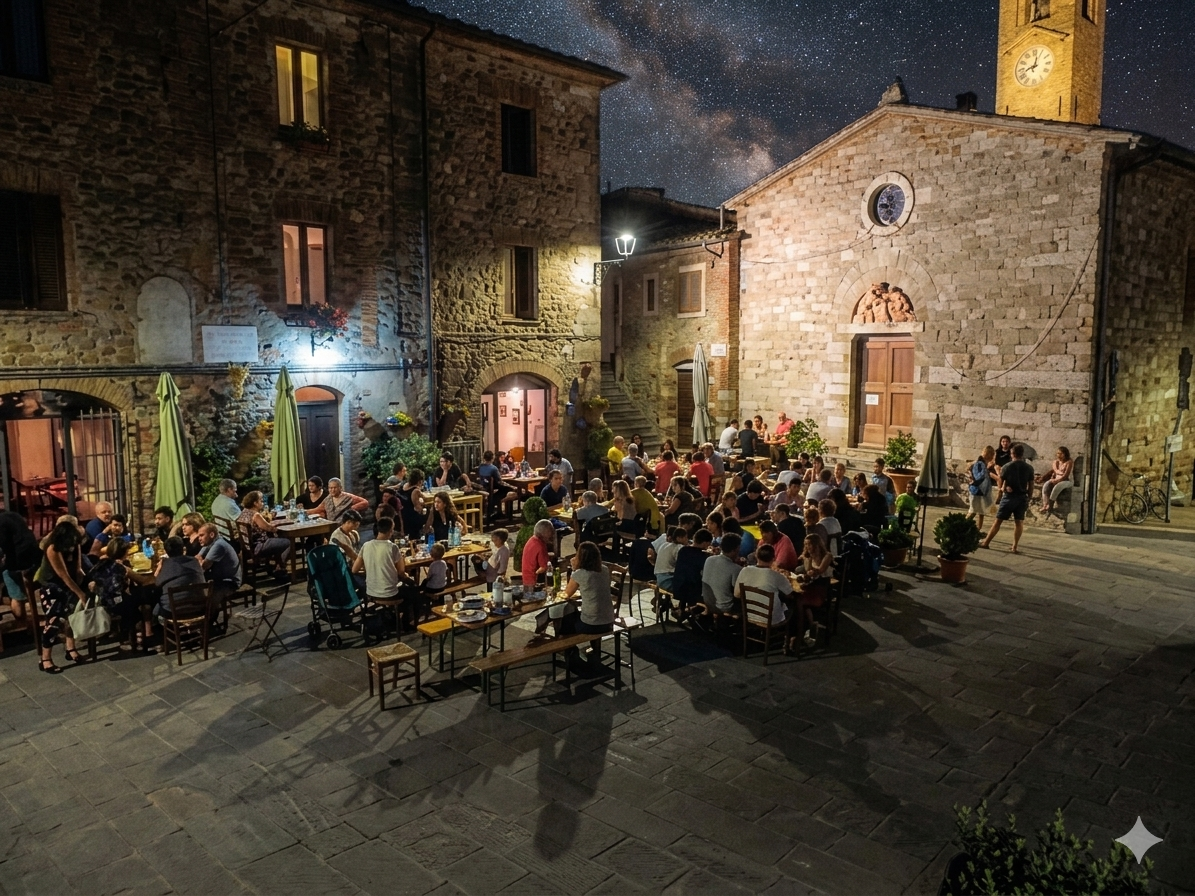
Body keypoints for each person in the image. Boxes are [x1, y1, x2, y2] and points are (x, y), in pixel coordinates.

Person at [541, 542, 616, 676]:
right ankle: (587, 652)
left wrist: (574, 568)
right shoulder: (604, 569)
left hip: (592, 625)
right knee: (575, 614)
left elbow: (567, 594)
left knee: (566, 622)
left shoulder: (580, 574)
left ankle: (569, 652)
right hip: (609, 621)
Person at [33, 519, 88, 672]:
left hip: (69, 584)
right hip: (51, 585)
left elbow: (77, 568)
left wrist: (83, 581)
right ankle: (45, 659)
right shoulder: (53, 548)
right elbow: (63, 575)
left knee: (72, 615)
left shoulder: (75, 543)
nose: (72, 545)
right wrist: (80, 593)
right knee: (55, 619)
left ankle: (71, 649)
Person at [736, 543, 795, 647]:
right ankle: (793, 640)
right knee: (795, 606)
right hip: (771, 619)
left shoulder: (745, 571)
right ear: (773, 558)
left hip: (749, 615)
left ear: (756, 556)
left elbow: (737, 594)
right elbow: (790, 594)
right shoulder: (776, 576)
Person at [352, 517, 407, 626]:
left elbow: (354, 569)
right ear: (391, 530)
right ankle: (405, 623)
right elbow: (401, 572)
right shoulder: (392, 547)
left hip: (371, 591)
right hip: (390, 593)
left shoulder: (366, 545)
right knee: (412, 591)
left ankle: (389, 615)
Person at [981, 442, 1034, 553]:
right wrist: (1029, 497)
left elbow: (1001, 481)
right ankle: (1014, 547)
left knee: (998, 521)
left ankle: (986, 542)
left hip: (1009, 497)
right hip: (1022, 497)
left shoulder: (1007, 467)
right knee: (1019, 522)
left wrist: (1003, 489)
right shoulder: (1029, 468)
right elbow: (1031, 485)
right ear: (1022, 454)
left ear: (1012, 453)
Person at [0, 511, 41, 622]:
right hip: (35, 556)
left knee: (7, 575)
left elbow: (4, 546)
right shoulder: (13, 515)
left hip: (19, 561)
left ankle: (21, 619)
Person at [236, 491, 290, 574]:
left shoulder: (244, 512)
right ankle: (280, 567)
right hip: (259, 546)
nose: (263, 503)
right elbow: (269, 528)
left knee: (278, 541)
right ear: (255, 503)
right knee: (288, 542)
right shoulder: (255, 515)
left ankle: (278, 565)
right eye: (261, 501)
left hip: (248, 546)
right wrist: (279, 525)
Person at [154, 536, 206, 619]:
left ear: (166, 552)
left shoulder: (166, 564)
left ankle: (154, 627)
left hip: (173, 612)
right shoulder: (194, 561)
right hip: (199, 609)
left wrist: (158, 569)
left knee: (154, 600)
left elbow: (157, 583)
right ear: (183, 549)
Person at [795, 534, 833, 646]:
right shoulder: (807, 556)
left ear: (817, 544)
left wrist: (811, 571)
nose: (807, 547)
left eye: (810, 544)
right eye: (806, 544)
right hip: (811, 584)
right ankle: (808, 626)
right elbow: (808, 574)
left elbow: (820, 570)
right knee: (797, 598)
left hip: (822, 586)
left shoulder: (827, 555)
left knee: (802, 601)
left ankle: (807, 628)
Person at [197, 523, 242, 604]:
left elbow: (204, 566)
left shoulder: (219, 545)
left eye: (201, 535)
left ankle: (210, 614)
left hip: (229, 582)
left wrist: (202, 562)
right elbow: (197, 557)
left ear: (211, 534)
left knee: (206, 596)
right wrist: (201, 561)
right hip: (218, 578)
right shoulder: (209, 542)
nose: (199, 539)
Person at [701, 531, 742, 614]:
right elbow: (737, 592)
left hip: (707, 602)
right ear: (735, 549)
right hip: (724, 607)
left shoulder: (709, 559)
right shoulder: (735, 568)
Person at [476, 451, 512, 524]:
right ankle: (500, 510)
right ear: (493, 458)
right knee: (507, 489)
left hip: (484, 487)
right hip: (491, 490)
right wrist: (511, 486)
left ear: (484, 458)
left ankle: (497, 510)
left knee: (502, 490)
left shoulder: (480, 467)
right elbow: (500, 481)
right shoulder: (494, 468)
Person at [967, 446, 997, 531]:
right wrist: (986, 470)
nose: (993, 457)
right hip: (977, 491)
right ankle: (962, 526)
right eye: (993, 454)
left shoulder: (982, 463)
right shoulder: (980, 463)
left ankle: (978, 529)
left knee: (981, 512)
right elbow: (979, 477)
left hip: (981, 492)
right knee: (973, 511)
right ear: (989, 454)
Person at [1039, 447, 1074, 513]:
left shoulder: (1069, 462)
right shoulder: (1056, 462)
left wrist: (1058, 480)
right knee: (1046, 485)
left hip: (1066, 481)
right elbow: (1055, 470)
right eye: (1058, 453)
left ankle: (1051, 505)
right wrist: (1056, 477)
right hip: (1056, 478)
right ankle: (1045, 505)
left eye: (1061, 454)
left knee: (1057, 487)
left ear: (1065, 454)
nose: (1059, 455)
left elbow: (1065, 475)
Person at [521, 519, 554, 587]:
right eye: (550, 531)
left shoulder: (532, 540)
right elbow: (545, 567)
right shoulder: (540, 546)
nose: (552, 534)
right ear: (545, 532)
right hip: (534, 582)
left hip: (526, 578)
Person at [651, 526, 684, 593]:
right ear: (678, 538)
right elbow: (681, 563)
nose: (687, 540)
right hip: (667, 580)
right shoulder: (678, 547)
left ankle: (666, 602)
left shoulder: (663, 545)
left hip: (658, 578)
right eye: (685, 537)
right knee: (687, 588)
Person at [397, 469, 427, 540]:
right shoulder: (415, 490)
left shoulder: (404, 485)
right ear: (420, 480)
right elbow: (418, 508)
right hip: (411, 517)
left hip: (402, 514)